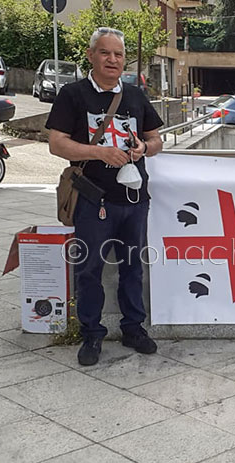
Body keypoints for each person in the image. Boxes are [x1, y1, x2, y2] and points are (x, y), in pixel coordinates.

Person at [46, 27, 164, 366]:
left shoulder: (137, 95)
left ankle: (133, 329)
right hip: (92, 199)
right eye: (105, 53)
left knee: (132, 268)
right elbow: (56, 143)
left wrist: (144, 147)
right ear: (90, 55)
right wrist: (98, 152)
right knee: (89, 269)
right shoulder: (73, 94)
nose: (112, 60)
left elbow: (156, 140)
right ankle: (91, 335)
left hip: (135, 199)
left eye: (118, 54)